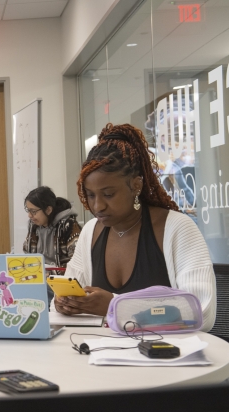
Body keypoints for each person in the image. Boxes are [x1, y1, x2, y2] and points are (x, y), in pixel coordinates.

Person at [59, 123, 216, 332]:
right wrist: (65, 303)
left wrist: (114, 305)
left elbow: (201, 312)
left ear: (136, 185)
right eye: (90, 195)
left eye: (108, 194)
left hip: (167, 358)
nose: (97, 206)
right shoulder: (90, 231)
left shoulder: (177, 228)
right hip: (103, 355)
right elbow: (73, 290)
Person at [23, 186, 81, 271]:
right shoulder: (34, 225)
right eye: (28, 210)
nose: (29, 215)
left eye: (33, 211)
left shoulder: (68, 225)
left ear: (48, 210)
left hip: (61, 279)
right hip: (38, 277)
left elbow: (77, 262)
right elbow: (27, 254)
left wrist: (51, 274)